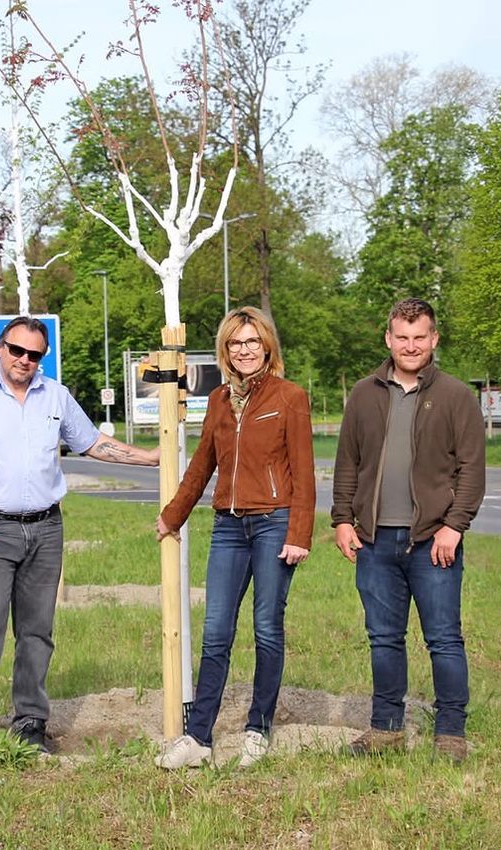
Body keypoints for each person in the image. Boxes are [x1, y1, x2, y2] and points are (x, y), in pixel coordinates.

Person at [0, 315, 159, 756]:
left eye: (34, 354)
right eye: (17, 350)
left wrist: (150, 457)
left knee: (37, 631)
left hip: (46, 528)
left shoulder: (56, 396)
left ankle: (30, 721)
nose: (24, 360)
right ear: (1, 348)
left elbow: (92, 443)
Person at [154, 307, 316, 769]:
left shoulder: (290, 397)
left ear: (267, 346)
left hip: (273, 523)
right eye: (235, 343)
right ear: (225, 350)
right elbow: (202, 464)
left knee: (266, 627)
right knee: (216, 632)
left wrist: (299, 533)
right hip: (228, 527)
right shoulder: (219, 400)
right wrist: (173, 515)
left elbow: (304, 472)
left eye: (252, 341)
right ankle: (198, 738)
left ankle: (257, 729)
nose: (244, 350)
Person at [332, 297, 485, 763]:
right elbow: (348, 463)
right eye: (402, 337)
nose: (411, 345)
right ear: (389, 339)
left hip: (433, 542)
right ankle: (386, 729)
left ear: (434, 339)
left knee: (443, 638)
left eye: (420, 337)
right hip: (375, 541)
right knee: (383, 638)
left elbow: (472, 470)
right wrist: (342, 519)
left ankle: (451, 734)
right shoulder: (364, 394)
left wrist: (453, 527)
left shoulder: (456, 396)